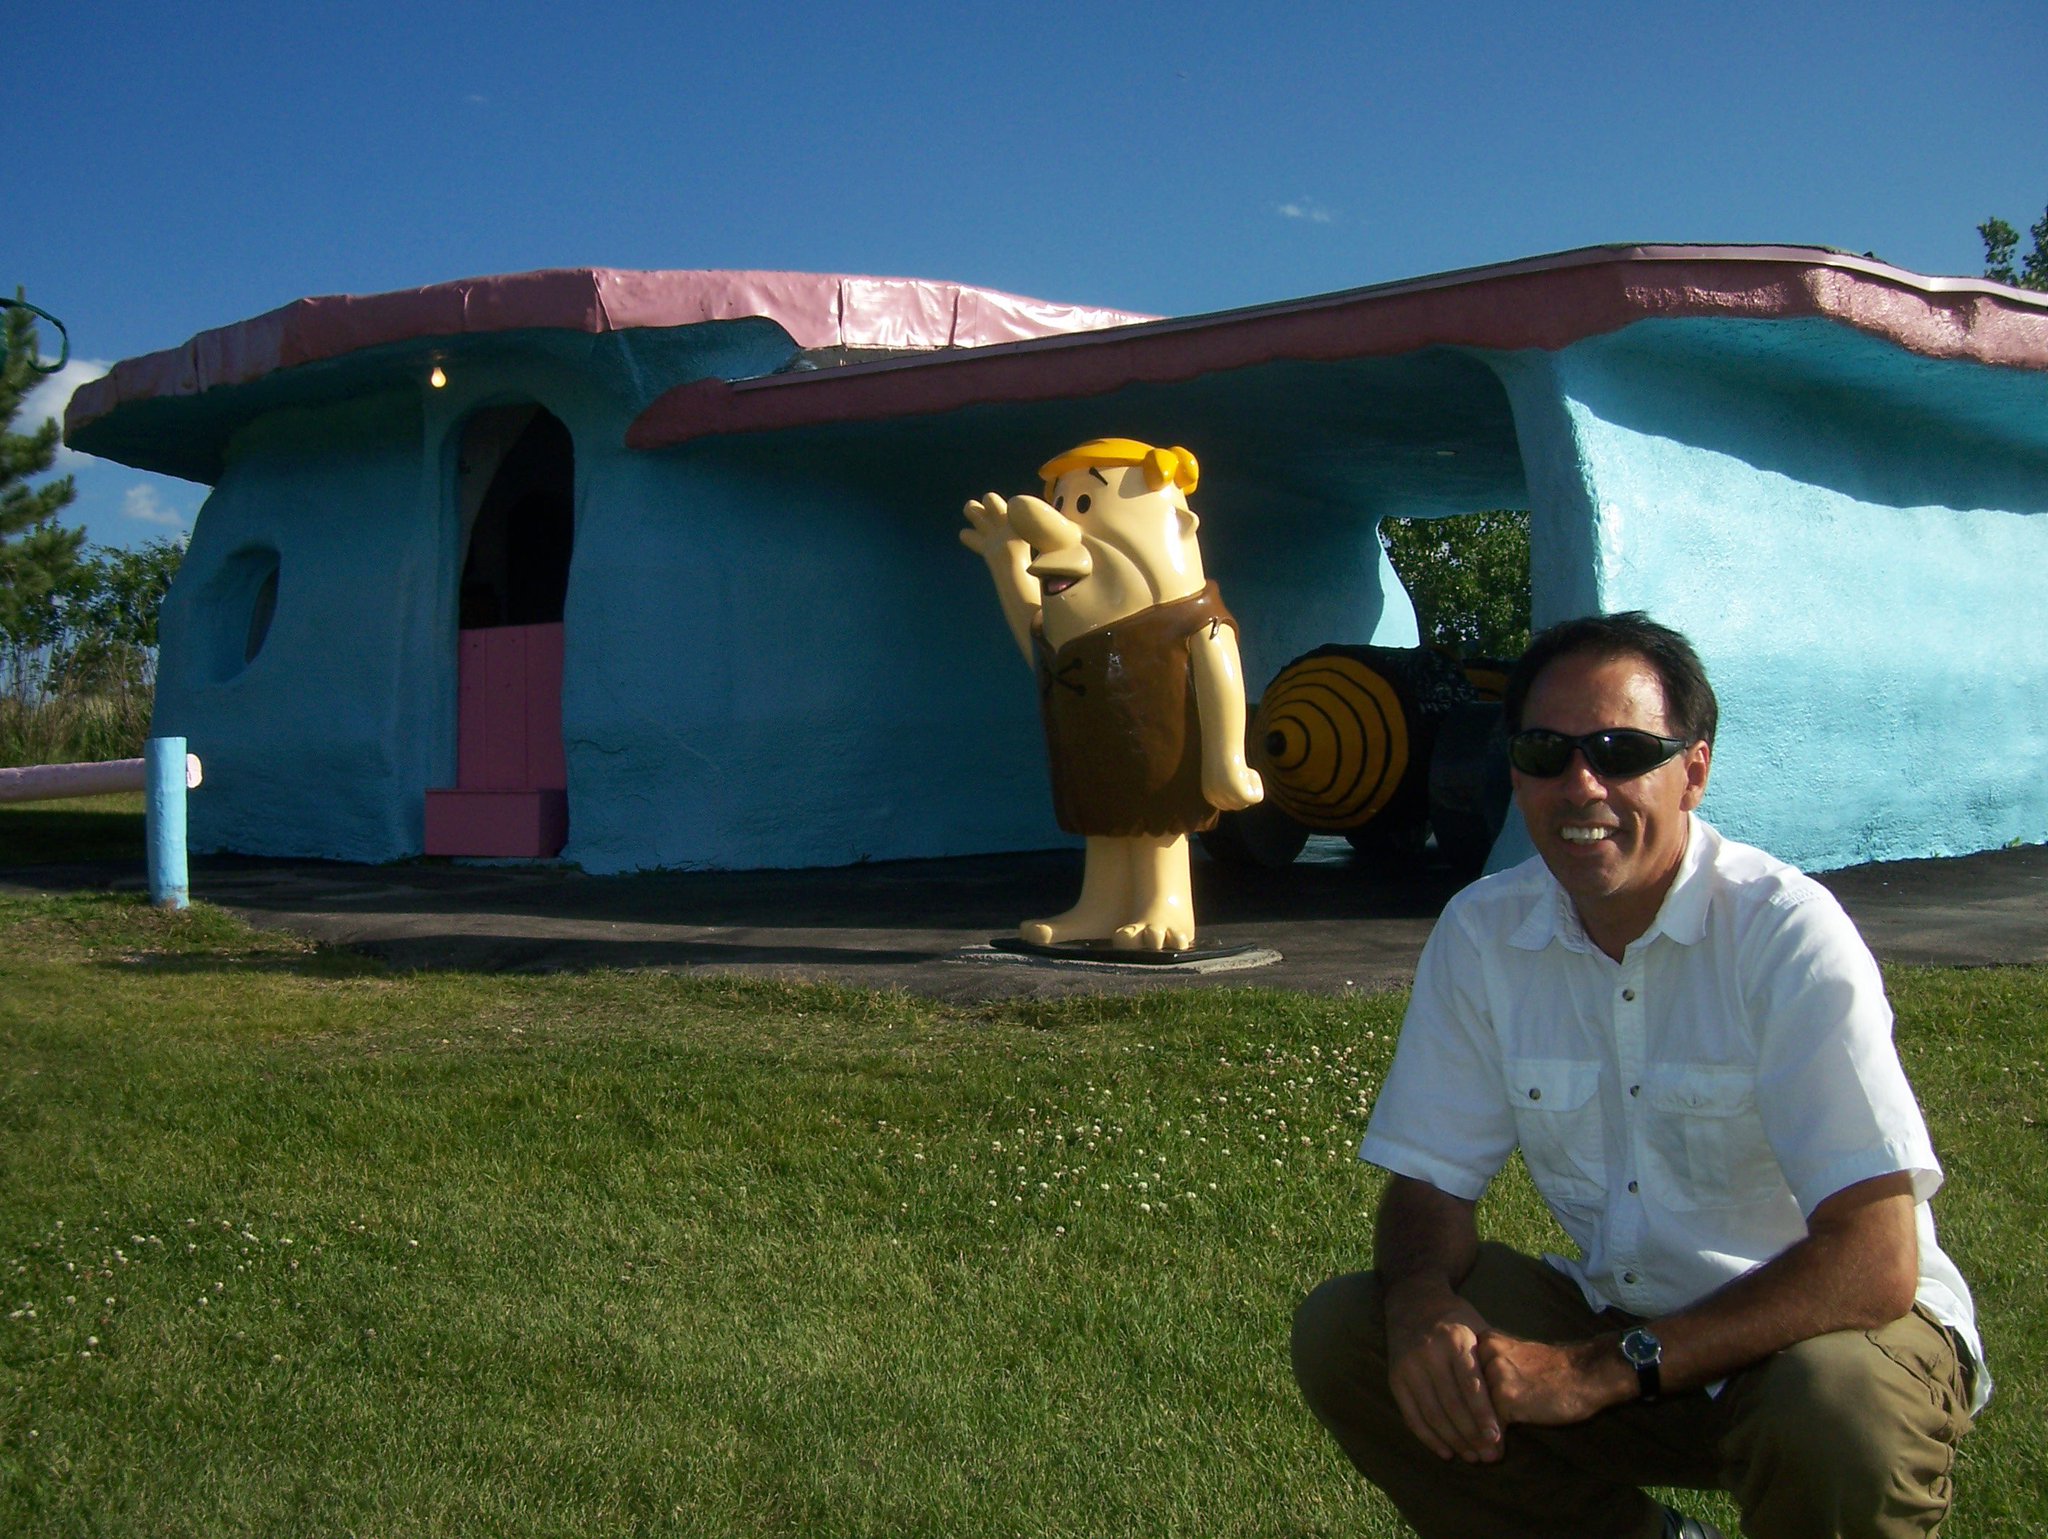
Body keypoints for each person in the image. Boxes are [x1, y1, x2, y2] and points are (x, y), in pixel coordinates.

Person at [1290, 612, 1988, 1539]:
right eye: (1545, 749)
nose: (1581, 784)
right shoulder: (1483, 931)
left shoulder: (1786, 933)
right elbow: (1428, 1184)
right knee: (1355, 1332)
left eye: (1621, 750)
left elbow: (1874, 1260)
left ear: (1694, 769)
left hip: (1825, 1336)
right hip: (1622, 1318)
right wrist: (1422, 1304)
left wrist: (1592, 1373)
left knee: (1837, 1410)